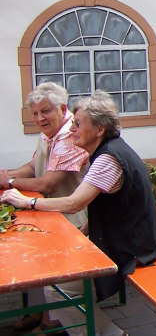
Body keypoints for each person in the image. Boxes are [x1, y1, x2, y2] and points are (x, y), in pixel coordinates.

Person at [2, 90, 156, 335]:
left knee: (58, 288)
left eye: (78, 124)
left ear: (98, 129)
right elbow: (105, 208)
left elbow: (74, 203)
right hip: (123, 239)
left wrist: (26, 202)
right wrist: (83, 233)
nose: (73, 129)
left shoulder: (108, 158)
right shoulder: (106, 150)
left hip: (133, 248)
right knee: (56, 274)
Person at [0, 82, 89, 333]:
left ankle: (56, 320)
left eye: (46, 111)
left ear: (62, 108)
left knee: (53, 269)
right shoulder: (50, 133)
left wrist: (10, 182)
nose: (40, 118)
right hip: (49, 211)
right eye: (36, 112)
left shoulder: (71, 135)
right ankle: (40, 314)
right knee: (30, 254)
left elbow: (48, 184)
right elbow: (33, 166)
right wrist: (7, 176)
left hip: (71, 215)